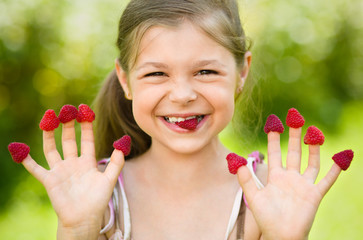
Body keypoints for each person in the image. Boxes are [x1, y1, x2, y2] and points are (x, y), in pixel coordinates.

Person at [11, 0, 344, 239]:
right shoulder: (99, 196)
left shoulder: (269, 195)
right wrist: (76, 230)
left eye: (205, 71)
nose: (182, 94)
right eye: (157, 73)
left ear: (242, 72)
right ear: (126, 80)